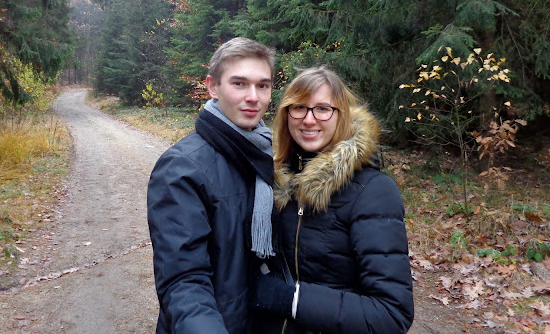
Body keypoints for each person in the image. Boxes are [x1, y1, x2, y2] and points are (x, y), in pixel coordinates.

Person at [251, 66, 414, 334]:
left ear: (342, 115)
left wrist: (292, 299)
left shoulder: (372, 191)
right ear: (286, 114)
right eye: (299, 107)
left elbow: (392, 314)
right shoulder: (271, 182)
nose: (309, 119)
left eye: (323, 109)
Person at [147, 37, 277, 333]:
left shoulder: (267, 155)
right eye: (239, 84)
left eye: (263, 85)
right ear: (212, 87)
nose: (253, 97)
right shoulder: (182, 168)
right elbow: (183, 280)